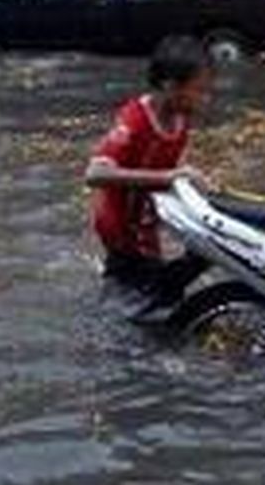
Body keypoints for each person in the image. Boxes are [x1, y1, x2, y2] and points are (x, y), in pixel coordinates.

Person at [85, 36, 214, 308]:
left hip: (144, 231)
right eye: (198, 91)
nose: (204, 99)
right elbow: (95, 173)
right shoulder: (135, 119)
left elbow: (165, 168)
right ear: (170, 86)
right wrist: (169, 178)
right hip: (121, 234)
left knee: (169, 290)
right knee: (155, 301)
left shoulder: (179, 121)